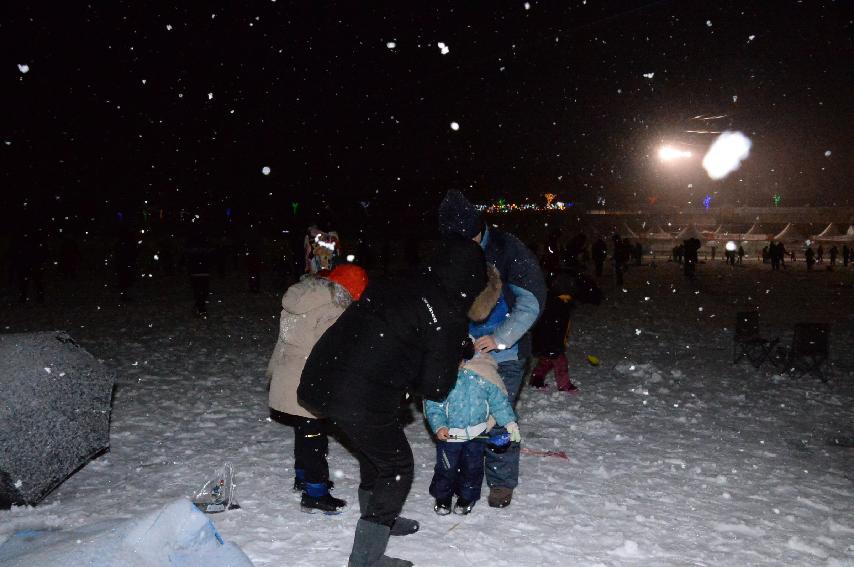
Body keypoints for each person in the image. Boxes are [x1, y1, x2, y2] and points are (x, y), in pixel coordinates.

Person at [298, 237, 489, 567]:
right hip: (358, 394)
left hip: (320, 376)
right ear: (471, 280)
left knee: (375, 452)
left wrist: (441, 349)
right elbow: (436, 387)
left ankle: (380, 518)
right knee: (397, 467)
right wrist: (448, 355)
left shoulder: (400, 281)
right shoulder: (446, 313)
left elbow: (399, 331)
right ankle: (367, 559)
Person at [437, 190, 546, 509]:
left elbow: (532, 301)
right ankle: (460, 478)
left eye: (469, 236)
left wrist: (500, 338)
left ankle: (500, 482)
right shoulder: (449, 251)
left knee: (499, 417)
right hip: (464, 352)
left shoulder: (508, 249)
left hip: (506, 354)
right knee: (461, 415)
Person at [266, 263, 368, 514]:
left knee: (305, 431)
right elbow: (330, 352)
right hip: (308, 378)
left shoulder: (304, 297)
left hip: (287, 373)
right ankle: (315, 492)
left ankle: (303, 478)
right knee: (314, 438)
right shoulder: (332, 309)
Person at [424, 265, 519, 516]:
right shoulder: (443, 379)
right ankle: (443, 498)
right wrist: (439, 426)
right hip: (451, 436)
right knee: (445, 468)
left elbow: (498, 399)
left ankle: (467, 498)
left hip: (476, 435)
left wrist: (509, 422)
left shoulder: (479, 376)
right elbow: (433, 404)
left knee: (472, 470)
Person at [528, 269, 600, 392]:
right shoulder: (557, 305)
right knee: (560, 363)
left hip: (548, 341)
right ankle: (564, 385)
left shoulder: (558, 302)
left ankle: (536, 380)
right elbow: (551, 327)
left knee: (546, 361)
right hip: (550, 342)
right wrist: (555, 344)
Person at [184, 228, 214, 317]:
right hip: (200, 270)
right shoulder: (202, 244)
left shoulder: (194, 244)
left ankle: (200, 307)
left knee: (200, 290)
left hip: (198, 270)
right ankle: (200, 307)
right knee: (202, 290)